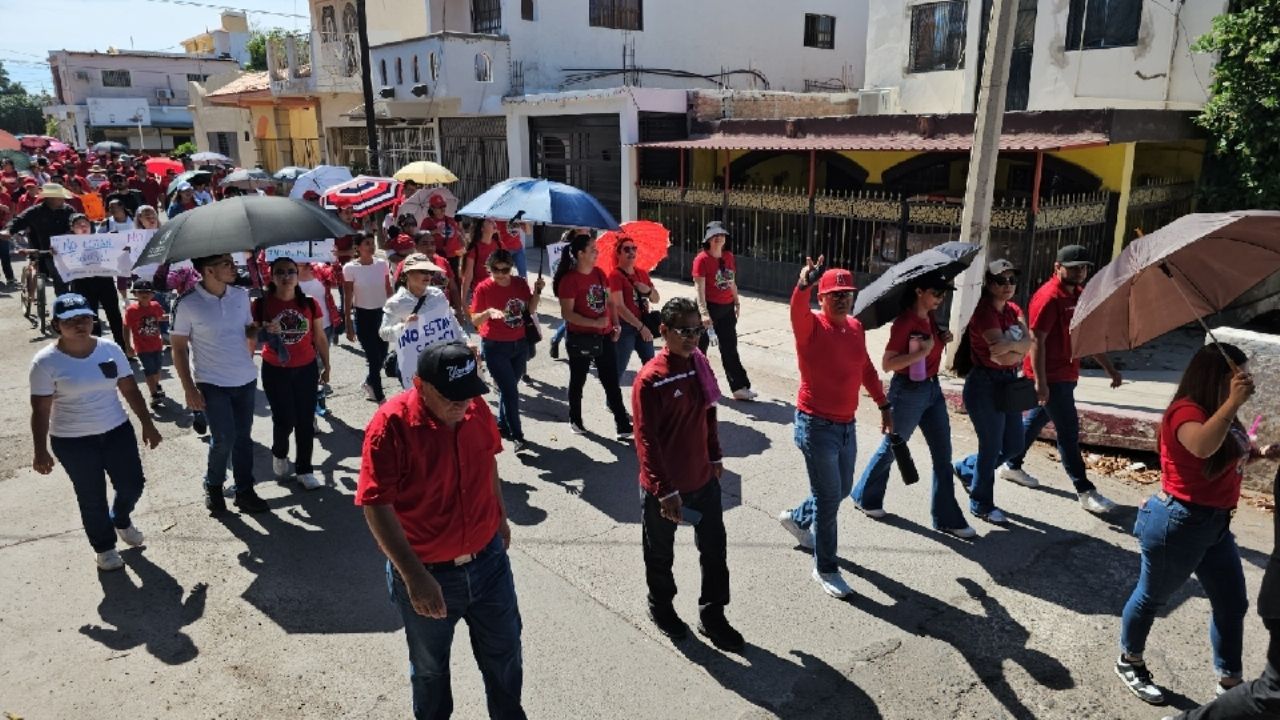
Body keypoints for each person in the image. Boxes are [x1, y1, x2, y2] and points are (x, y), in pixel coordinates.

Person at [357, 342, 525, 720]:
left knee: (505, 654)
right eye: (452, 396)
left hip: (489, 564)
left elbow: (488, 462)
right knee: (431, 669)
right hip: (428, 574)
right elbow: (376, 504)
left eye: (469, 394)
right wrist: (414, 577)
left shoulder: (475, 408)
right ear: (420, 384)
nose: (463, 405)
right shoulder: (390, 426)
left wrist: (499, 515)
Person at [1116, 343, 1269, 706]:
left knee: (1232, 603)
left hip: (1215, 524)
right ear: (1218, 377)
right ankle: (1129, 660)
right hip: (1179, 522)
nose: (1246, 380)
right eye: (1239, 373)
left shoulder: (1221, 413)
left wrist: (1258, 455)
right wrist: (1233, 404)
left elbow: (1221, 462)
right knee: (1152, 597)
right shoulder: (1185, 412)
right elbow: (1200, 447)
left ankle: (1230, 684)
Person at [633, 296, 743, 650]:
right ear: (663, 331)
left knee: (714, 550)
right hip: (665, 490)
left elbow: (709, 415)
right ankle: (661, 606)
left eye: (697, 330)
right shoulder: (650, 380)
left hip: (703, 482)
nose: (693, 337)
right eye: (684, 330)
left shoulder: (700, 366)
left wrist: (715, 455)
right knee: (660, 554)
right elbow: (645, 441)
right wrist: (664, 491)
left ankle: (713, 614)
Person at [778, 259, 890, 598]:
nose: (842, 299)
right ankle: (825, 567)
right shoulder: (810, 326)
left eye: (847, 293)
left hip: (846, 426)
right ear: (822, 298)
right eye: (834, 294)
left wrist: (884, 404)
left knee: (840, 489)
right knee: (829, 500)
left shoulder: (855, 328)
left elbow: (867, 369)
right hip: (815, 426)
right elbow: (797, 308)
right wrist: (803, 285)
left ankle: (797, 518)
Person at [29, 293, 162, 571]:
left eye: (85, 318)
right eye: (71, 321)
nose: (80, 325)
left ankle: (121, 518)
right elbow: (40, 410)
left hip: (116, 430)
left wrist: (147, 424)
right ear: (56, 325)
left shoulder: (109, 349)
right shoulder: (45, 362)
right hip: (72, 441)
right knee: (91, 496)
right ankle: (104, 548)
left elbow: (129, 389)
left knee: (133, 484)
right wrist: (40, 451)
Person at [850, 273, 976, 539]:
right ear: (919, 291)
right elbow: (888, 363)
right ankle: (865, 495)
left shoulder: (928, 317)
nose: (941, 299)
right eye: (936, 293)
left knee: (943, 453)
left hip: (931, 389)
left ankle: (946, 517)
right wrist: (922, 352)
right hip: (907, 392)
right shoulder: (906, 321)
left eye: (944, 294)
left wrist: (942, 336)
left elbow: (928, 345)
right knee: (893, 448)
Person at [1000, 244, 1122, 515]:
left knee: (1035, 421)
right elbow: (1036, 341)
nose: (1081, 271)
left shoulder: (1078, 295)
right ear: (1057, 267)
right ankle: (1084, 489)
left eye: (1084, 267)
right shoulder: (1048, 297)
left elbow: (1084, 336)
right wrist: (1041, 383)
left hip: (1067, 373)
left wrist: (1109, 368)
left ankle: (1010, 464)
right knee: (1068, 432)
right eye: (1075, 267)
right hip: (1050, 376)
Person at [171, 253, 268, 515]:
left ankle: (245, 491)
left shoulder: (240, 295)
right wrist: (189, 388)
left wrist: (261, 330)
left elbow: (247, 330)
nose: (233, 267)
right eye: (226, 263)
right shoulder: (187, 304)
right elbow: (178, 348)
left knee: (243, 439)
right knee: (223, 438)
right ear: (208, 270)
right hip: (211, 382)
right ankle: (213, 485)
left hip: (245, 379)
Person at [951, 260, 1034, 525]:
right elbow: (998, 354)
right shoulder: (984, 313)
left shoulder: (1013, 309)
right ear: (989, 284)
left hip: (1007, 383)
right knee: (992, 446)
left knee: (1013, 445)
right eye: (1001, 281)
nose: (1008, 286)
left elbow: (1029, 342)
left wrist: (1015, 347)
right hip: (984, 385)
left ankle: (966, 468)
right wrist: (1017, 346)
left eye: (1012, 280)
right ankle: (981, 503)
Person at [254, 257, 330, 491]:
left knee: (305, 421)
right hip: (275, 369)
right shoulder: (261, 304)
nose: (286, 276)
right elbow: (249, 335)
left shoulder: (309, 303)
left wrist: (327, 365)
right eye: (280, 272)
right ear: (272, 276)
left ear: (297, 275)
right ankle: (280, 452)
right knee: (284, 419)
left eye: (290, 271)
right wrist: (263, 329)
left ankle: (305, 470)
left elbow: (319, 336)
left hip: (306, 368)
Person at [553, 232, 632, 440]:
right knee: (578, 380)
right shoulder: (569, 281)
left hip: (605, 336)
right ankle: (575, 419)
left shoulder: (599, 273)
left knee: (611, 381)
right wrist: (594, 323)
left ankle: (622, 424)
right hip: (580, 338)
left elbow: (610, 302)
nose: (597, 252)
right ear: (580, 254)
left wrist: (615, 325)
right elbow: (567, 314)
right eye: (592, 249)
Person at [469, 248, 543, 452]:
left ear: (511, 267)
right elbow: (474, 319)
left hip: (520, 344)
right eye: (496, 269)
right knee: (511, 391)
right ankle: (518, 436)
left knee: (508, 388)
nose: (501, 274)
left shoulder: (519, 283)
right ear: (489, 268)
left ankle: (502, 423)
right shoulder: (483, 288)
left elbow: (530, 309)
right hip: (495, 346)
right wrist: (487, 312)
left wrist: (537, 291)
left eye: (505, 269)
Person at [379, 253, 466, 390]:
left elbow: (451, 323)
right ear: (407, 273)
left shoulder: (437, 295)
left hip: (441, 360)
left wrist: (466, 343)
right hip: (414, 366)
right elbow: (383, 333)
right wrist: (403, 327)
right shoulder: (395, 303)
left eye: (430, 272)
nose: (428, 276)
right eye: (422, 271)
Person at [693, 221, 755, 401]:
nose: (719, 237)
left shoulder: (728, 256)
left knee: (730, 349)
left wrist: (736, 301)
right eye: (714, 235)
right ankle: (696, 385)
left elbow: (731, 282)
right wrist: (704, 313)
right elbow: (699, 290)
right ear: (708, 239)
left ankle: (739, 387)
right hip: (709, 309)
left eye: (721, 234)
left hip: (727, 309)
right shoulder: (701, 259)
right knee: (699, 350)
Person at [64, 214, 129, 352]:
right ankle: (95, 351)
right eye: (78, 225)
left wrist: (119, 244)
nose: (83, 227)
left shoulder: (102, 239)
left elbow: (119, 253)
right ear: (72, 229)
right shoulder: (66, 244)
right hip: (82, 284)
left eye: (85, 224)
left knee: (114, 316)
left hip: (105, 282)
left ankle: (123, 349)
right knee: (90, 318)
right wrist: (56, 253)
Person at [344, 233, 392, 403]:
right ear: (358, 247)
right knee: (373, 358)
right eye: (367, 243)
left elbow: (388, 289)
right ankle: (380, 398)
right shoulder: (350, 268)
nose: (371, 246)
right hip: (363, 317)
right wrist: (348, 324)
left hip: (382, 314)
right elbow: (348, 297)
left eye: (373, 243)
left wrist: (395, 312)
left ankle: (369, 382)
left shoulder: (382, 264)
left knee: (382, 356)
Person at [3, 183, 76, 295]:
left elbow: (80, 222)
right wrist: (8, 231)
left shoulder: (69, 210)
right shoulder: (35, 212)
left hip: (70, 251)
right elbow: (18, 221)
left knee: (80, 278)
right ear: (50, 199)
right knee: (59, 276)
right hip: (47, 252)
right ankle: (63, 305)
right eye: (60, 197)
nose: (63, 199)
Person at [609, 237, 659, 382]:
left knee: (651, 368)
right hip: (626, 328)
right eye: (626, 249)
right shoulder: (615, 276)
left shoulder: (642, 273)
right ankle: (612, 402)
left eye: (634, 248)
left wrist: (648, 290)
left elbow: (656, 298)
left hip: (644, 325)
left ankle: (650, 401)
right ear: (618, 254)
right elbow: (619, 306)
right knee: (618, 369)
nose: (631, 252)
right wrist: (641, 327)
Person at [123, 280, 167, 408]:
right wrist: (128, 345)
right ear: (135, 294)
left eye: (147, 292)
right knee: (149, 371)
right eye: (140, 292)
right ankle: (154, 394)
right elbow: (126, 327)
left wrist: (171, 317)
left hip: (157, 345)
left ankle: (156, 385)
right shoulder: (131, 310)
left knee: (157, 370)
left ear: (153, 294)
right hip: (142, 348)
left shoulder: (155, 306)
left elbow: (159, 317)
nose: (144, 294)